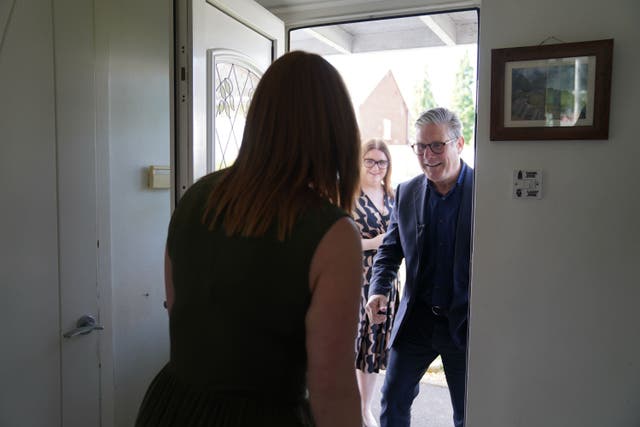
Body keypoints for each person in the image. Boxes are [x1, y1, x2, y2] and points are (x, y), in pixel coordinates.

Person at [135, 51, 363, 427]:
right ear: (336, 130)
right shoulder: (333, 234)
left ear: (260, 120)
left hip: (172, 408)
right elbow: (332, 388)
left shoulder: (195, 198)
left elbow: (175, 308)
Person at [365, 107, 473, 427]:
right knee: (393, 400)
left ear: (459, 144)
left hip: (465, 324)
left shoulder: (486, 192)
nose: (428, 155)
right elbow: (388, 252)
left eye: (437, 145)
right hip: (416, 321)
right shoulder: (407, 191)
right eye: (420, 147)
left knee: (468, 413)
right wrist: (378, 291)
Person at [353, 139, 399, 427]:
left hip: (388, 281)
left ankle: (364, 406)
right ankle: (355, 408)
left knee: (377, 344)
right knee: (359, 341)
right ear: (360, 162)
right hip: (358, 278)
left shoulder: (393, 195)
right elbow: (342, 240)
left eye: (381, 162)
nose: (375, 167)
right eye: (369, 160)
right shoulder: (350, 196)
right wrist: (376, 241)